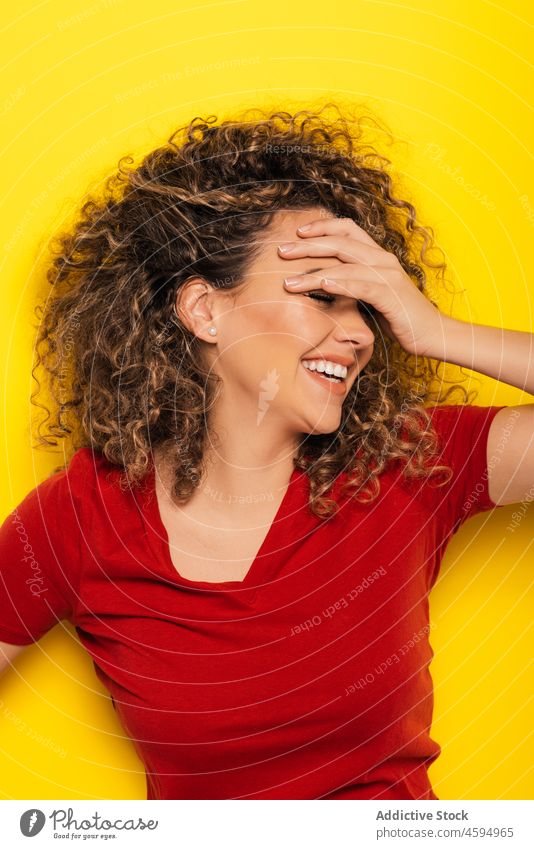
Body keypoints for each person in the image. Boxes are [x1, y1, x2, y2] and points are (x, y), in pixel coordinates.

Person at [1, 103, 532, 800]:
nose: (361, 334)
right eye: (323, 297)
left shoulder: (410, 462)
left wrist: (434, 330)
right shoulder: (83, 512)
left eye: (365, 308)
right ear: (204, 310)